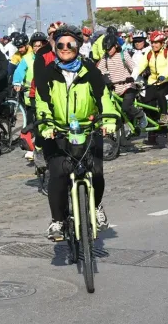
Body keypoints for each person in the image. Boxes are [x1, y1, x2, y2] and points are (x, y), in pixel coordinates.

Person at [34, 24, 119, 240]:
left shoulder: (90, 70)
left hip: (88, 128)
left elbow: (104, 98)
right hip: (58, 130)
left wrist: (108, 120)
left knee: (96, 172)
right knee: (58, 174)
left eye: (70, 44)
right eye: (60, 44)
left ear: (78, 46)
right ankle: (58, 221)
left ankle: (97, 206)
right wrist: (46, 125)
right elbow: (42, 102)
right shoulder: (47, 73)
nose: (64, 47)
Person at [12, 32, 48, 160]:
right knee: (32, 124)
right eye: (35, 45)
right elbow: (19, 72)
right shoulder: (26, 59)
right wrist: (17, 82)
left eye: (40, 45)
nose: (38, 48)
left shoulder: (50, 57)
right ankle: (32, 149)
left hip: (46, 98)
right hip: (30, 99)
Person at [97, 34, 145, 126]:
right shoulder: (105, 57)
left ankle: (141, 114)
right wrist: (104, 79)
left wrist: (132, 78)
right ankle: (125, 132)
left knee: (126, 108)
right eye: (106, 49)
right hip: (115, 89)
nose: (108, 51)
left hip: (128, 87)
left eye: (110, 48)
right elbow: (99, 70)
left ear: (115, 45)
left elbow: (135, 68)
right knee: (118, 113)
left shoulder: (123, 54)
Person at [135, 31, 168, 126]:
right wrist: (131, 76)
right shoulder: (149, 53)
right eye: (152, 42)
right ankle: (155, 125)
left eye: (156, 43)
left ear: (162, 43)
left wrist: (163, 75)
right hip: (153, 81)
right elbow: (140, 66)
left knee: (160, 93)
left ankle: (164, 116)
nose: (154, 45)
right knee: (147, 102)